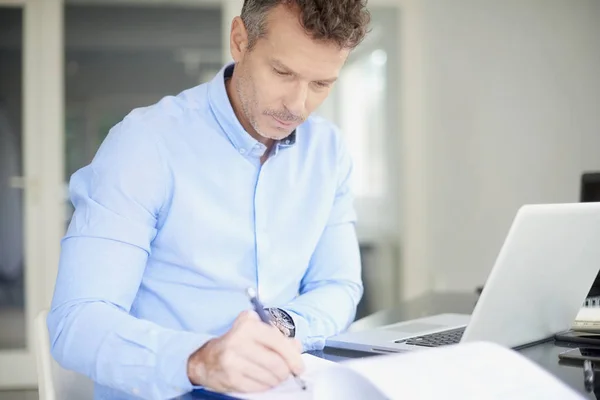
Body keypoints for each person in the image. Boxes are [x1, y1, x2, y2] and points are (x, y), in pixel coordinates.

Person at [47, 0, 371, 399]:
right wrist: (201, 360)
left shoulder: (328, 151)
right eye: (282, 72)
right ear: (239, 40)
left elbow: (338, 285)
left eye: (321, 84)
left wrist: (282, 325)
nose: (297, 105)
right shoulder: (145, 145)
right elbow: (76, 323)